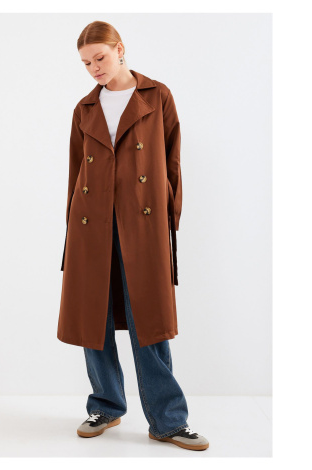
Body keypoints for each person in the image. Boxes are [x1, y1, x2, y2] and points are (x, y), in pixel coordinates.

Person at [59, 21, 209, 452]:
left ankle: (168, 420)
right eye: (86, 63)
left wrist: (168, 219)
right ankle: (106, 406)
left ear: (120, 49)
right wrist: (71, 228)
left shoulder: (156, 96)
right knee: (94, 319)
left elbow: (172, 160)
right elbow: (76, 172)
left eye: (100, 57)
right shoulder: (85, 108)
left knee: (150, 320)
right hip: (91, 224)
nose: (94, 68)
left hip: (143, 223)